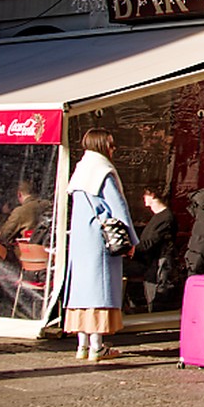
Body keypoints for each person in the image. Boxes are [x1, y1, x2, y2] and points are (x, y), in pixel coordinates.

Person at [64, 128, 139, 362]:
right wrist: (131, 239)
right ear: (103, 145)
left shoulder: (80, 170)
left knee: (81, 291)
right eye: (111, 144)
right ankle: (97, 346)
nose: (113, 149)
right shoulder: (103, 171)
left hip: (80, 238)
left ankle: (82, 346)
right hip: (100, 239)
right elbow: (118, 207)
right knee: (100, 290)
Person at [132, 187, 178, 312]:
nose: (143, 198)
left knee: (156, 304)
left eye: (145, 195)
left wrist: (131, 250)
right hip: (153, 266)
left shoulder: (165, 218)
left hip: (159, 267)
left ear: (152, 195)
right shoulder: (159, 217)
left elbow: (151, 242)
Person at [0, 179, 52, 245]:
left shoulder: (20, 211)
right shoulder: (48, 205)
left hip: (27, 249)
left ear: (19, 194)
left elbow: (4, 236)